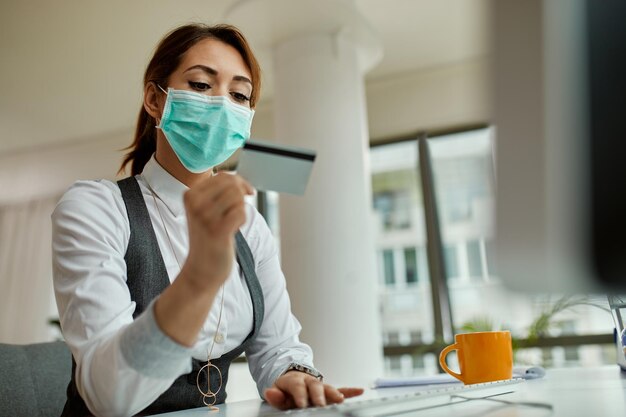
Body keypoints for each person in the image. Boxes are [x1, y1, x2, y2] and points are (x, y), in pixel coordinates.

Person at [52, 23, 363, 416]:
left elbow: (277, 346)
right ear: (154, 98)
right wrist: (199, 278)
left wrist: (293, 374)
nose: (221, 105)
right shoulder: (95, 208)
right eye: (201, 85)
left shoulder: (249, 225)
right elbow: (108, 398)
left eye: (238, 94)